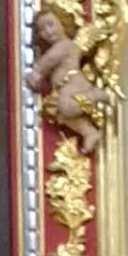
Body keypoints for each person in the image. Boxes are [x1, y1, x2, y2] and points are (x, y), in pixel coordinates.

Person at [27, 8, 110, 153]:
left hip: (73, 83)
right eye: (42, 29)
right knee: (62, 115)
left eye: (50, 24)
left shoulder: (65, 45)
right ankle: (89, 132)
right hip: (63, 88)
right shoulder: (59, 46)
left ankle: (95, 95)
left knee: (65, 106)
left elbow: (50, 60)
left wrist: (37, 70)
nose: (47, 31)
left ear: (63, 23)